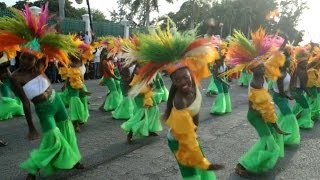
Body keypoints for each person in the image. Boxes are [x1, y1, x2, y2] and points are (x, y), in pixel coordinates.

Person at [122, 24, 223, 179]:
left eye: (185, 77)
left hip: (189, 133)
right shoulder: (180, 102)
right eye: (177, 80)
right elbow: (188, 141)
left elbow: (204, 57)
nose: (182, 82)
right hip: (179, 140)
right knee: (191, 173)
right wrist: (205, 164)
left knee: (200, 169)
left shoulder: (193, 84)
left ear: (191, 74)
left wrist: (210, 32)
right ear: (173, 81)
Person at [0, 4, 84, 179]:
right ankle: (33, 170)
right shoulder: (16, 78)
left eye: (30, 58)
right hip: (44, 110)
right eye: (23, 57)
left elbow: (48, 48)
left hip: (57, 102)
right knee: (52, 140)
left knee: (67, 131)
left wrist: (42, 32)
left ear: (36, 59)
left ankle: (74, 159)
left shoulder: (39, 67)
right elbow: (24, 102)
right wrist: (31, 127)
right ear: (19, 56)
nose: (26, 61)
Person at [224, 29, 287, 177]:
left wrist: (282, 44)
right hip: (255, 116)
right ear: (253, 70)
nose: (263, 67)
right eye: (259, 66)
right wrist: (276, 126)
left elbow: (274, 58)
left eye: (262, 65)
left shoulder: (262, 74)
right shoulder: (256, 83)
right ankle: (242, 165)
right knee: (268, 141)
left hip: (260, 114)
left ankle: (259, 162)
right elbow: (265, 109)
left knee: (270, 139)